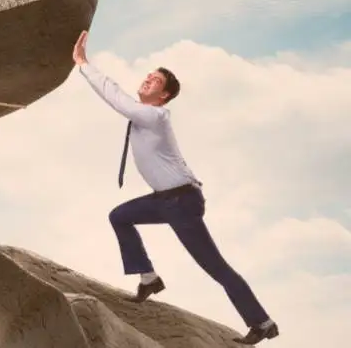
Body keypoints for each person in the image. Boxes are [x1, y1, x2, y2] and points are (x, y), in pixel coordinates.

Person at [72, 31, 279, 345]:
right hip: (162, 200)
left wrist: (84, 64)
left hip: (182, 202)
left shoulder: (156, 116)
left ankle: (262, 322)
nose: (147, 80)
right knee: (119, 216)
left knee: (215, 267)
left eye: (155, 81)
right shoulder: (144, 115)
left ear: (164, 96)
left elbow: (116, 97)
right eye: (148, 76)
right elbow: (122, 102)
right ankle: (149, 278)